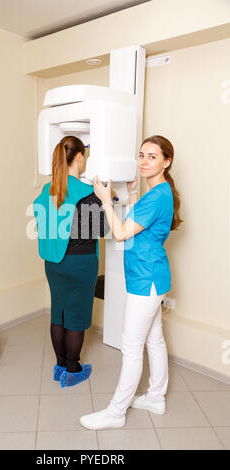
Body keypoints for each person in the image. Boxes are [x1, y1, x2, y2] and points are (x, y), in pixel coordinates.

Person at [80, 135, 183, 429]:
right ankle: (156, 396)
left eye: (152, 156)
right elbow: (142, 224)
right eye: (141, 155)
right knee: (155, 340)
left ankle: (116, 413)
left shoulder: (159, 195)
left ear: (167, 162)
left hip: (145, 279)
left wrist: (104, 201)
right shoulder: (159, 193)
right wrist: (133, 195)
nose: (143, 161)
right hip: (153, 277)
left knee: (132, 347)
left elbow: (122, 232)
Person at [33, 135, 110, 388]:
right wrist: (106, 199)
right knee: (76, 317)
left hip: (53, 264)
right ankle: (73, 369)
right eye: (84, 155)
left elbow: (42, 219)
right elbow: (102, 230)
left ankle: (59, 366)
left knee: (59, 313)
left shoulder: (48, 190)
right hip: (80, 264)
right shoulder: (88, 193)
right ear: (78, 157)